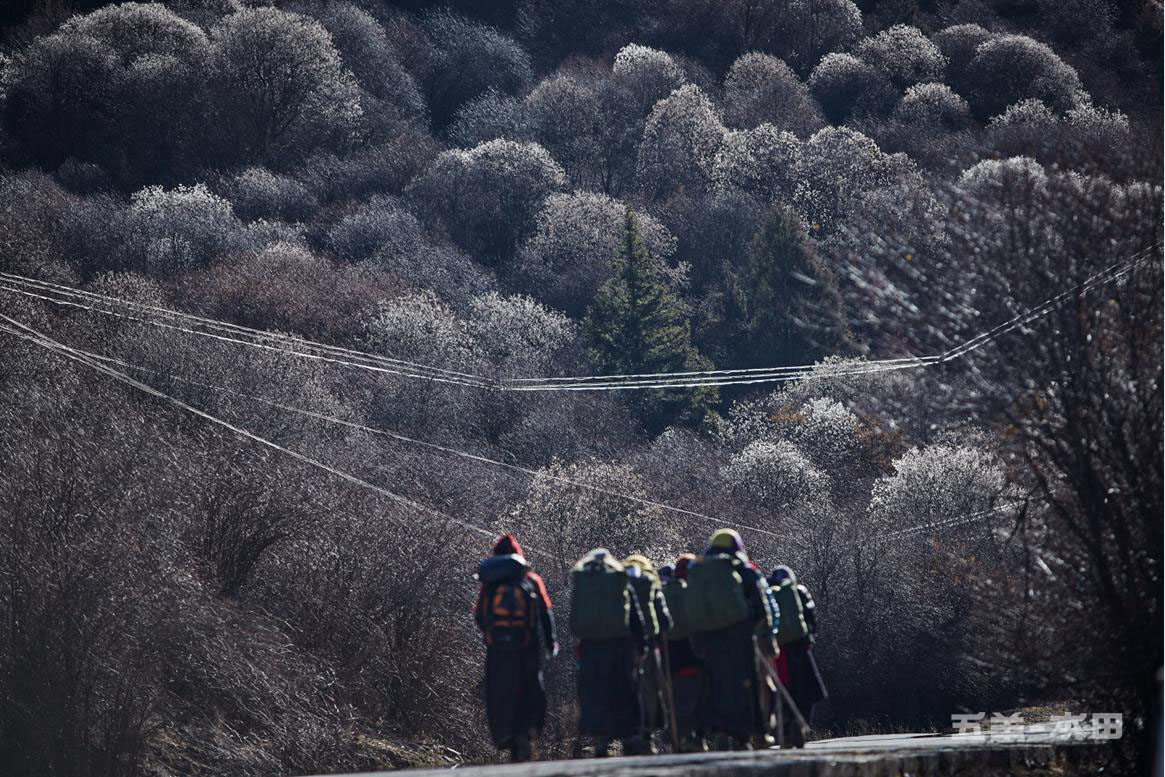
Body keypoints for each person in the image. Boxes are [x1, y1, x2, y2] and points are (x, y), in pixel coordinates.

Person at [686, 529, 776, 751]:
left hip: (709, 639)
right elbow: (762, 609)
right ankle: (748, 735)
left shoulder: (698, 570)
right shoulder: (745, 570)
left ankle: (718, 732)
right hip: (740, 638)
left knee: (714, 685)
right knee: (745, 684)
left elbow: (692, 609)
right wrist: (755, 630)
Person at [473, 533, 558, 762]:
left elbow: (480, 616)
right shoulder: (530, 578)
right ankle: (526, 733)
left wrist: (494, 635)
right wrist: (551, 643)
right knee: (530, 688)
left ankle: (506, 736)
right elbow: (545, 612)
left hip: (497, 648)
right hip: (527, 645)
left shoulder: (490, 582)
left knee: (500, 690)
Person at [570, 549, 649, 757]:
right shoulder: (619, 578)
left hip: (590, 645)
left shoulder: (583, 581)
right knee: (622, 689)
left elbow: (575, 617)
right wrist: (642, 645)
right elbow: (635, 615)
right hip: (620, 644)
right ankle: (629, 739)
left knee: (595, 691)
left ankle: (600, 739)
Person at [768, 565, 827, 748]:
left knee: (783, 691)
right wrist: (809, 639)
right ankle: (800, 726)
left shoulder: (769, 594)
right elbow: (812, 620)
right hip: (801, 648)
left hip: (779, 652)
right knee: (806, 690)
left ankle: (785, 731)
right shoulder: (799, 592)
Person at [624, 554, 673, 753]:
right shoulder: (651, 582)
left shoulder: (619, 583)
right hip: (650, 645)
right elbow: (664, 620)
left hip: (624, 645)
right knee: (650, 688)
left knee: (628, 686)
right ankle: (647, 733)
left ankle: (629, 732)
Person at [660, 554, 706, 752]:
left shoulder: (661, 593)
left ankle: (676, 736)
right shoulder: (691, 591)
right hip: (691, 650)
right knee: (694, 695)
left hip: (667, 654)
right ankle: (692, 736)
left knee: (673, 697)